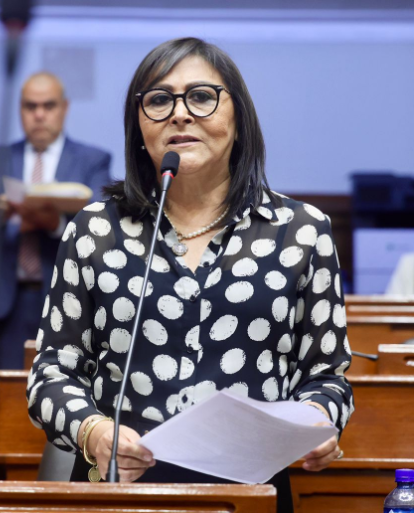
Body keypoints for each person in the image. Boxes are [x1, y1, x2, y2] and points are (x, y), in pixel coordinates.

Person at [25, 38, 353, 513]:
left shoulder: (301, 232)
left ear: (239, 118)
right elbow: (51, 373)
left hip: (248, 493)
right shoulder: (95, 230)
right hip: (121, 489)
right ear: (139, 128)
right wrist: (93, 431)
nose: (180, 114)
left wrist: (317, 418)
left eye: (201, 96)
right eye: (159, 100)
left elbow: (327, 376)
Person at [0, 71, 112, 370]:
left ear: (64, 108)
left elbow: (102, 219)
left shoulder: (92, 159)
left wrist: (55, 224)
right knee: (3, 392)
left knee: (63, 386)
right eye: (30, 106)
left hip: (67, 297)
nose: (39, 115)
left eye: (48, 106)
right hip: (4, 297)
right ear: (20, 109)